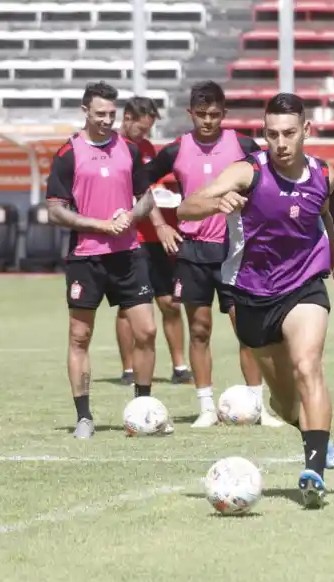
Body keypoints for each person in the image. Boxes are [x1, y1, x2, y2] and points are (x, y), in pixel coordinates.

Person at [177, 92, 334, 508]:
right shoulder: (246, 172)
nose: (280, 143)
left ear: (306, 131)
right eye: (272, 134)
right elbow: (187, 208)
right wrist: (215, 203)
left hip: (305, 285)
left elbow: (324, 217)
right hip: (251, 294)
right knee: (282, 398)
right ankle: (312, 432)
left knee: (308, 364)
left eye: (289, 133)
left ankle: (313, 466)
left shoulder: (323, 175)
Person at [144, 80, 284, 428]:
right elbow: (137, 182)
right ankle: (206, 407)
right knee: (200, 329)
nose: (208, 121)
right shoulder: (176, 149)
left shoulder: (243, 144)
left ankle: (258, 406)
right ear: (190, 113)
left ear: (224, 114)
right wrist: (161, 224)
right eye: (202, 115)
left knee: (247, 329)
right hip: (193, 251)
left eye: (215, 115)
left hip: (236, 250)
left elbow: (273, 176)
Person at [46, 81, 159, 439]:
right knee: (80, 336)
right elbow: (54, 211)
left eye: (112, 114)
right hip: (86, 258)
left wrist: (131, 214)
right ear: (85, 112)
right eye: (100, 114)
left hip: (128, 255)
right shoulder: (68, 154)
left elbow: (147, 199)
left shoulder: (129, 148)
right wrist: (98, 224)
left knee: (147, 331)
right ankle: (84, 417)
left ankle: (144, 411)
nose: (108, 120)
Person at [115, 96, 193, 385]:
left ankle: (180, 366)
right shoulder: (114, 149)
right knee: (129, 306)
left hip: (157, 239)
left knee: (171, 302)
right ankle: (128, 369)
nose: (145, 135)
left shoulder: (146, 149)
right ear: (127, 119)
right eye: (141, 129)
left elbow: (150, 188)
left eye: (148, 130)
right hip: (130, 238)